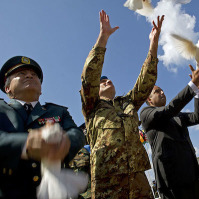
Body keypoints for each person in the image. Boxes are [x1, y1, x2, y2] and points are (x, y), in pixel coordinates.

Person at [80, 10, 164, 198]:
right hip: (107, 182)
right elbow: (89, 77)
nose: (107, 81)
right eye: (102, 82)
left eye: (109, 80)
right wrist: (103, 37)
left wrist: (153, 43)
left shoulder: (127, 102)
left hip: (137, 177)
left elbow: (146, 81)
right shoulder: (91, 106)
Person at [0, 56, 85, 198]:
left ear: (41, 89)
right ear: (7, 88)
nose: (29, 76)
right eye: (21, 74)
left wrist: (66, 142)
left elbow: (77, 133)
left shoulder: (58, 112)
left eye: (34, 75)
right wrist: (26, 144)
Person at [140, 61, 199, 199]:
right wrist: (192, 84)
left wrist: (198, 91)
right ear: (149, 100)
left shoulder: (176, 114)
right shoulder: (146, 113)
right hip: (170, 179)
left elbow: (198, 117)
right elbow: (169, 110)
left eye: (162, 90)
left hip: (190, 174)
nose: (162, 92)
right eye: (157, 91)